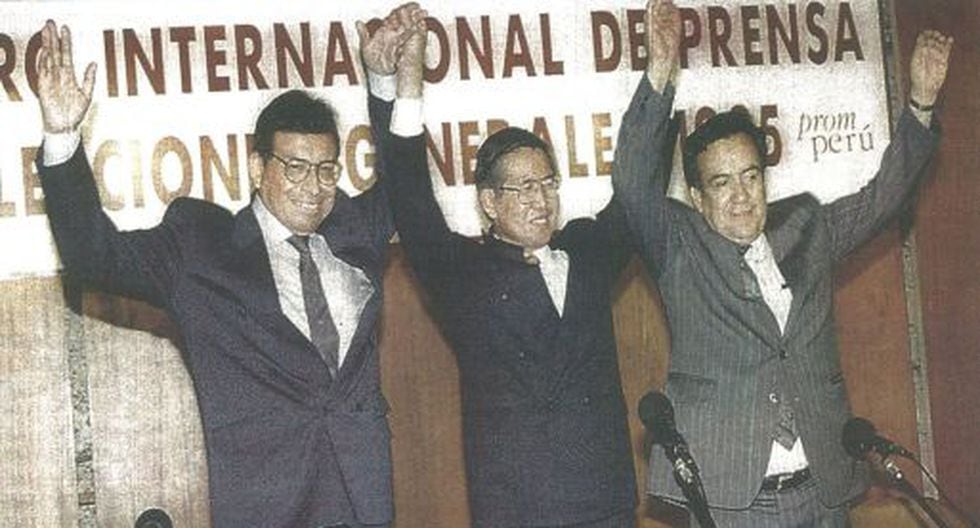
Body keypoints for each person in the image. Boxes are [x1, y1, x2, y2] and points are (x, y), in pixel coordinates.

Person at [34, 16, 410, 527]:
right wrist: (61, 137)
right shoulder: (200, 246)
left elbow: (407, 188)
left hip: (362, 505)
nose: (313, 186)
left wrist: (383, 83)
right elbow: (94, 256)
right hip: (267, 507)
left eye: (326, 169)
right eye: (295, 167)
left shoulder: (354, 230)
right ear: (258, 169)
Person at [612, 17, 952, 527]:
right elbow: (632, 178)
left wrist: (920, 106)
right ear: (698, 199)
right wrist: (659, 71)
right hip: (734, 497)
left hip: (823, 486)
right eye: (722, 183)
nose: (740, 195)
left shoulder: (807, 228)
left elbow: (883, 198)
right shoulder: (678, 244)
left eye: (750, 177)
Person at [359, 2, 680, 526]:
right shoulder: (463, 274)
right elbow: (409, 194)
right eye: (523, 187)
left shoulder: (587, 250)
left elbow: (638, 187)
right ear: (489, 202)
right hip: (518, 513)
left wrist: (661, 74)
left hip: (606, 504)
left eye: (548, 183)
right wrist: (402, 80)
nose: (541, 199)